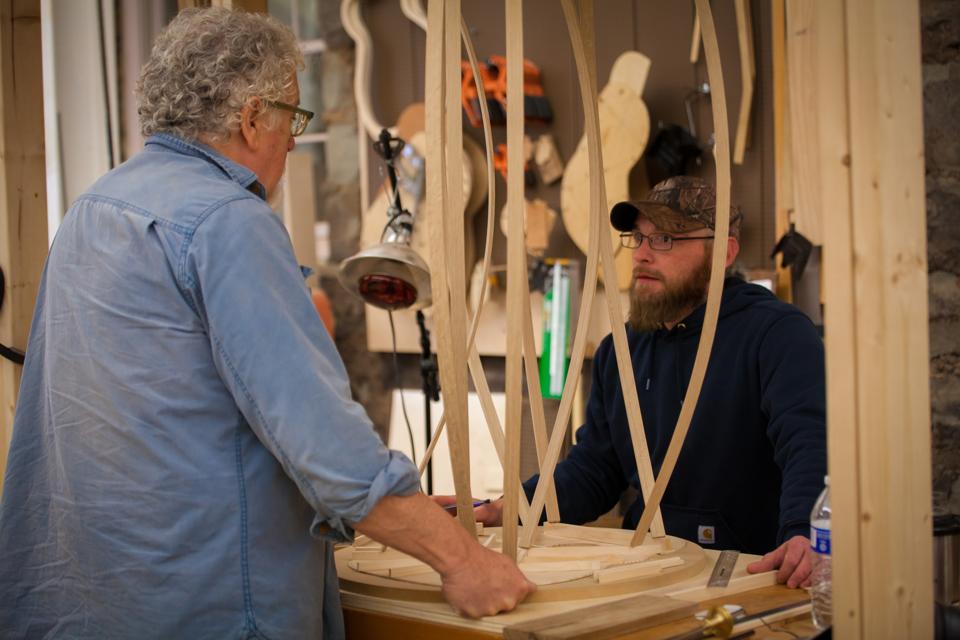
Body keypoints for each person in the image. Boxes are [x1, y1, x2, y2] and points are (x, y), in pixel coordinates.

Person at [0, 8, 533, 638]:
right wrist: (461, 558)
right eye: (293, 119)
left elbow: (167, 428)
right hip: (205, 608)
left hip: (84, 602)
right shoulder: (228, 221)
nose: (291, 141)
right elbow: (324, 443)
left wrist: (409, 515)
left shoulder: (93, 209)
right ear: (254, 117)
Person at [457, 176, 827, 589]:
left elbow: (810, 445)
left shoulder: (777, 334)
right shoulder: (623, 347)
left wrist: (804, 533)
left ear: (723, 252)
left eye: (667, 239)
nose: (643, 255)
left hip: (750, 574)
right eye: (639, 237)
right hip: (649, 570)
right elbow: (596, 468)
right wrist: (510, 508)